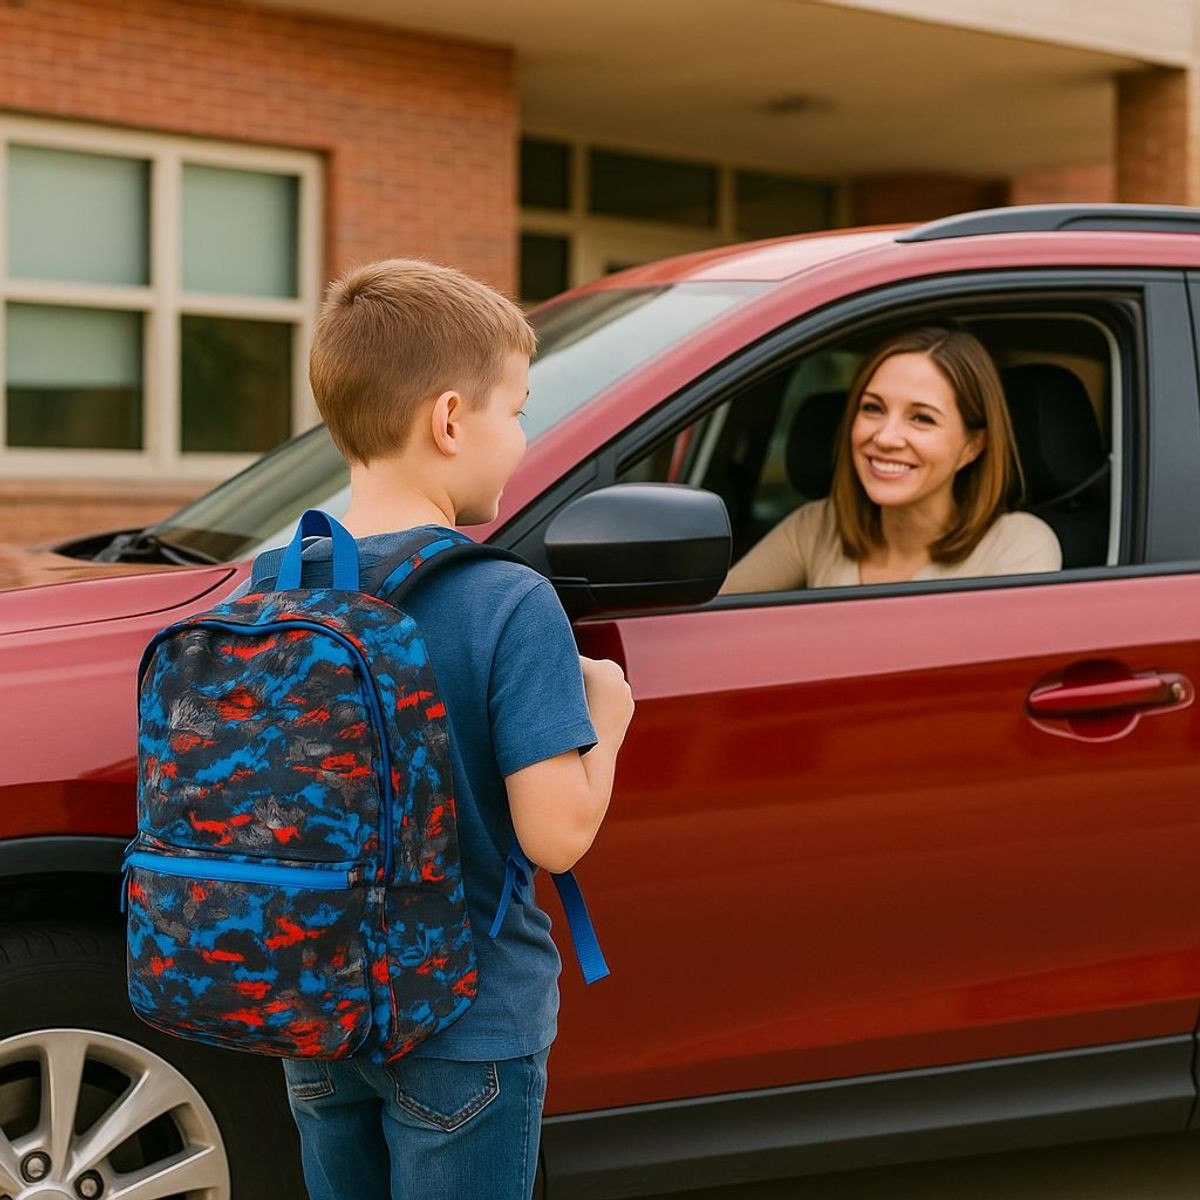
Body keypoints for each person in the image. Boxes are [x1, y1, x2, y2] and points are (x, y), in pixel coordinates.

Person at [224, 259, 634, 1199]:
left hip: (315, 1009)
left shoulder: (274, 587)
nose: (524, 437)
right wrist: (607, 721)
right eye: (519, 409)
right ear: (451, 421)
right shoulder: (504, 600)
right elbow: (556, 835)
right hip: (466, 1026)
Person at [719, 326, 1062, 593]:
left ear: (972, 446)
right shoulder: (818, 526)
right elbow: (705, 628)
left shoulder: (1018, 546)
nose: (884, 437)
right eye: (873, 408)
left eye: (921, 418)